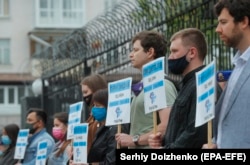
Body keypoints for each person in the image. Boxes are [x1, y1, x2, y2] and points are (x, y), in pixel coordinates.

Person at [148, 28, 222, 149]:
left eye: (174, 51)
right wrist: (162, 140)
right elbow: (181, 129)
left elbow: (196, 133)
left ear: (192, 53)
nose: (170, 57)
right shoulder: (187, 84)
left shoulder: (202, 84)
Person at [115, 30, 178, 148]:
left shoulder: (162, 85)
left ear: (150, 52)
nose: (131, 54)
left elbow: (167, 125)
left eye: (136, 50)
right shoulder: (142, 86)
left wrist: (134, 139)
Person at [203, 0, 250, 149]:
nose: (217, 29)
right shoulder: (238, 66)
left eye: (223, 22)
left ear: (243, 21)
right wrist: (216, 143)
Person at [87, 88, 116, 165]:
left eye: (98, 106)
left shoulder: (114, 129)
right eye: (94, 105)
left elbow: (111, 161)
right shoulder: (101, 127)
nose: (94, 109)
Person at [80, 74, 108, 153]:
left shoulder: (103, 116)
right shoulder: (91, 117)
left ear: (96, 91)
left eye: (86, 92)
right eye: (83, 93)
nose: (84, 96)